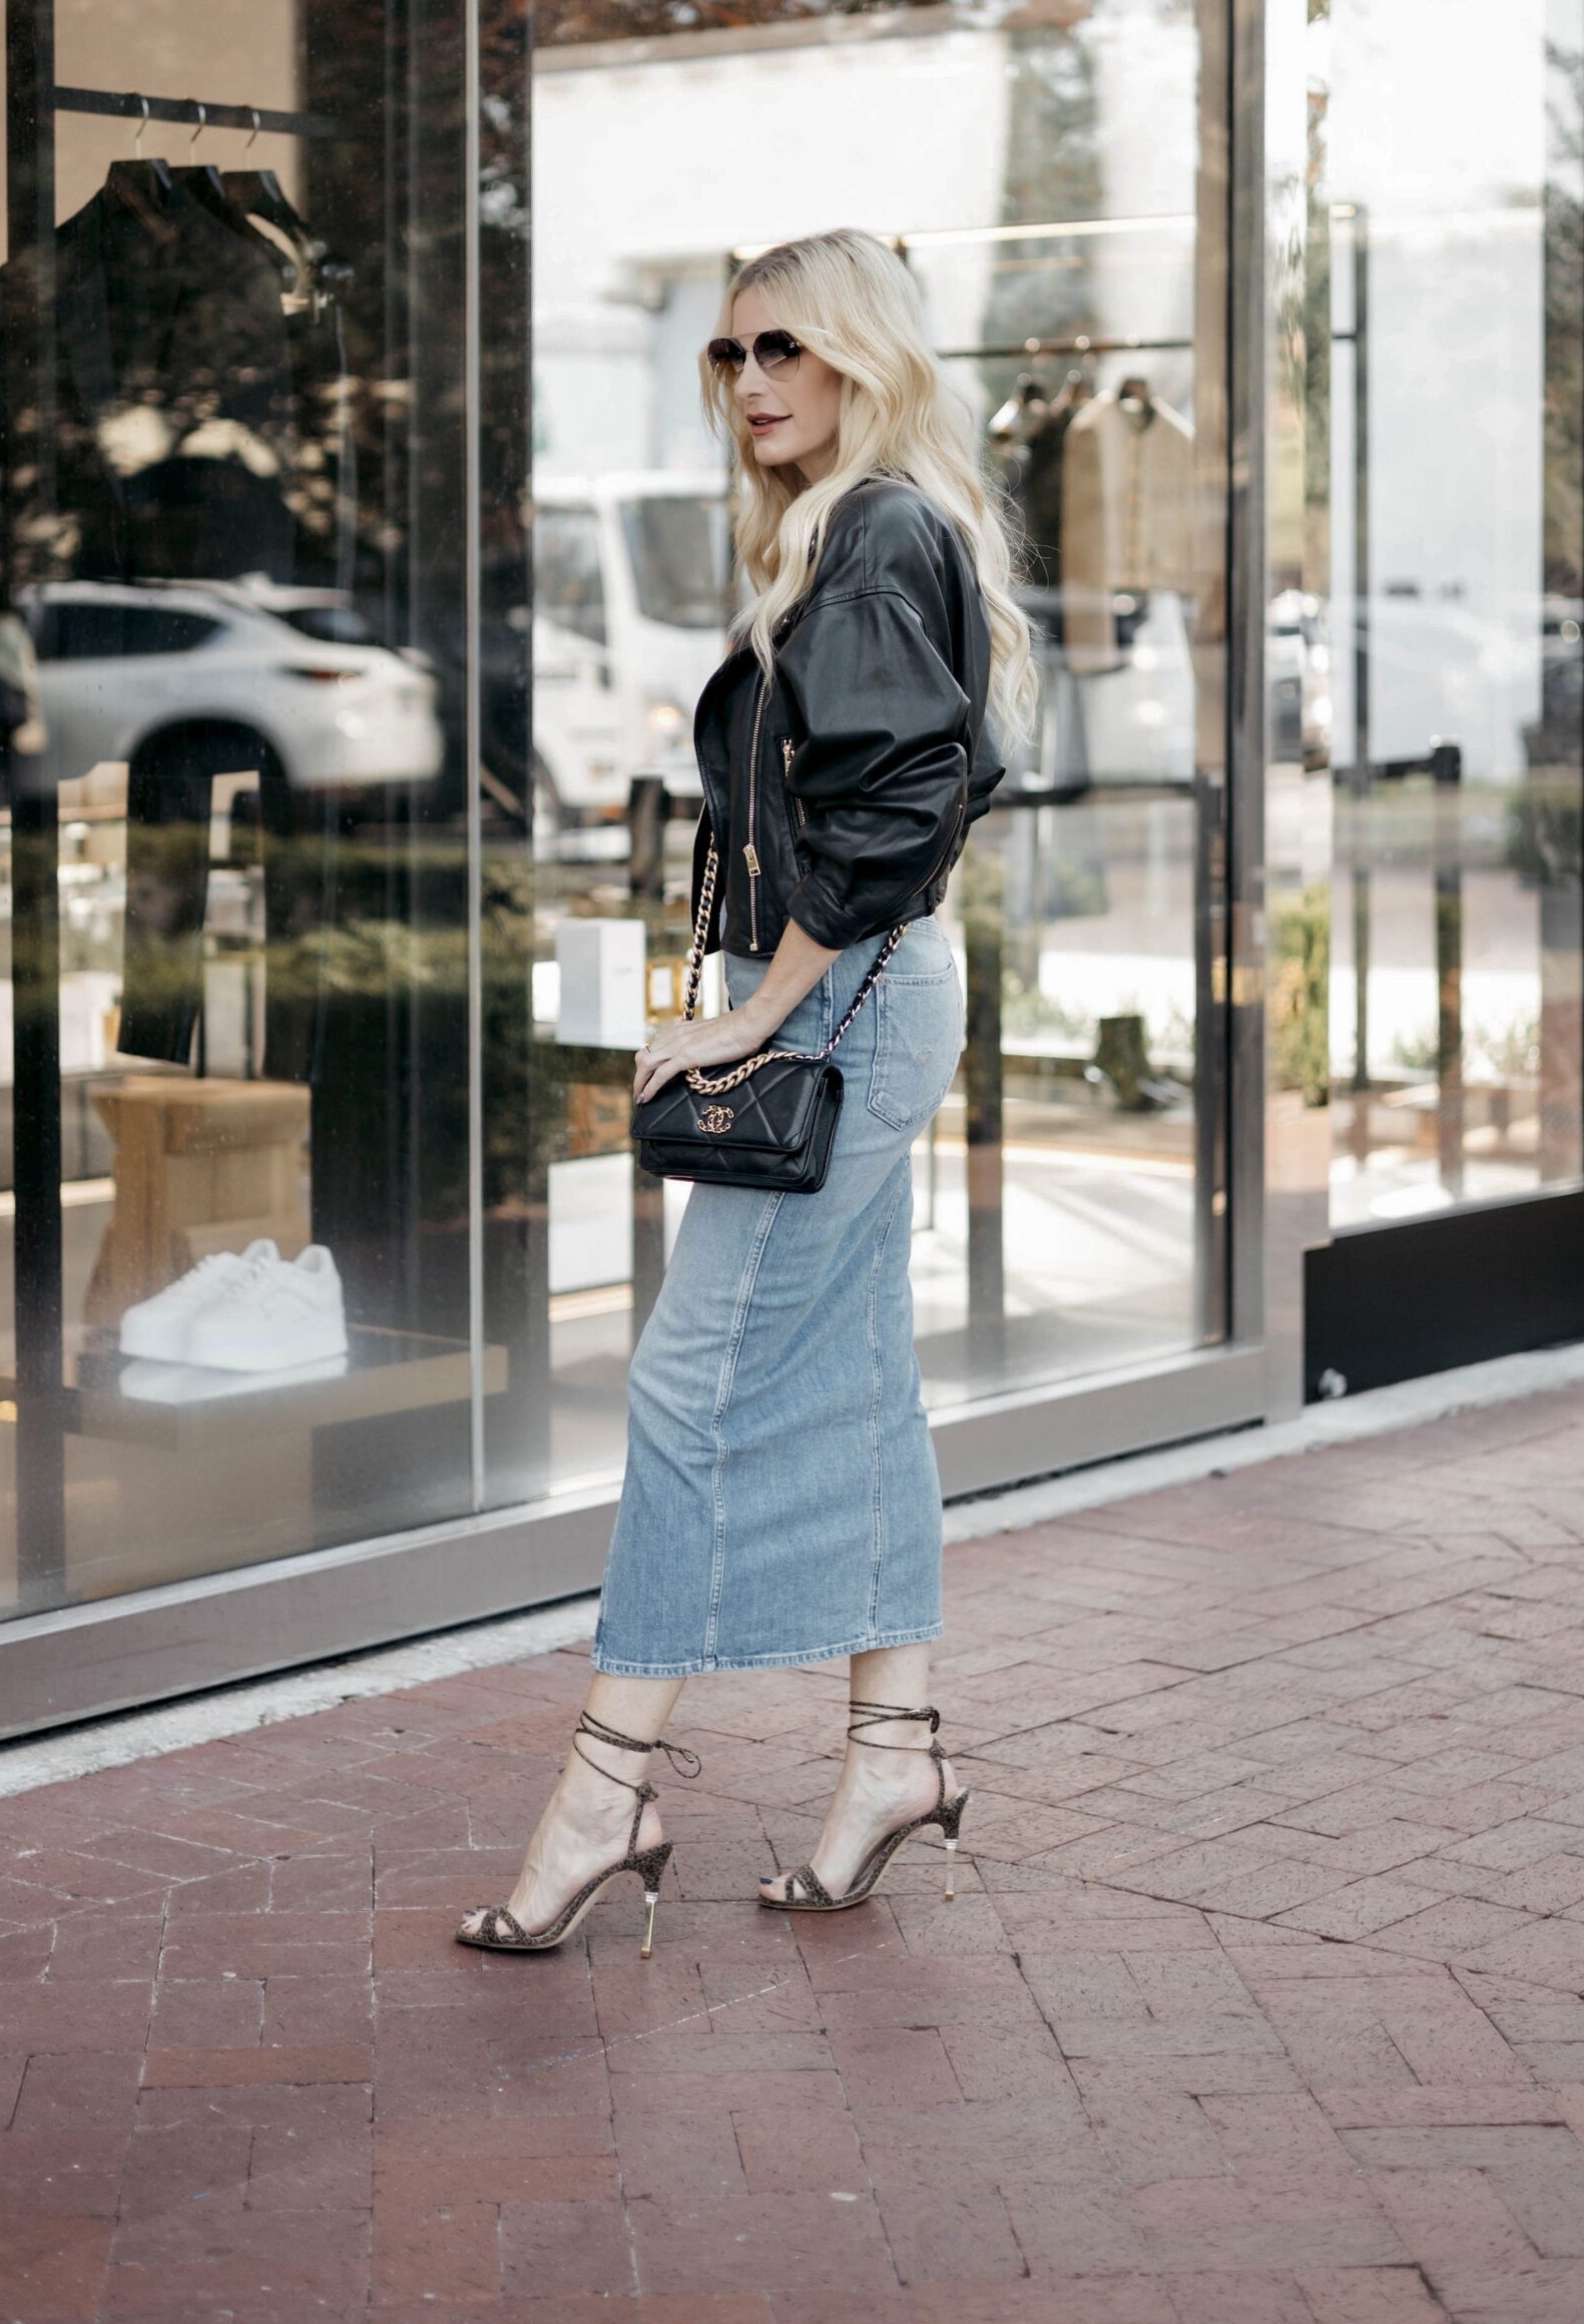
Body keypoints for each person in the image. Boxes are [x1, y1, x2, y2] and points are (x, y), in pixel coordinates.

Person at [456, 228, 1032, 1957]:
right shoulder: (869, 531)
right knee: (856, 1382)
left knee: (688, 1383)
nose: (752, 381)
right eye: (729, 356)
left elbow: (887, 814)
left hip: (842, 1003)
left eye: (783, 346)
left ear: (862, 353)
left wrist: (747, 1020)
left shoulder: (869, 536)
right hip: (868, 994)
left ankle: (613, 1780)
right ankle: (893, 1758)